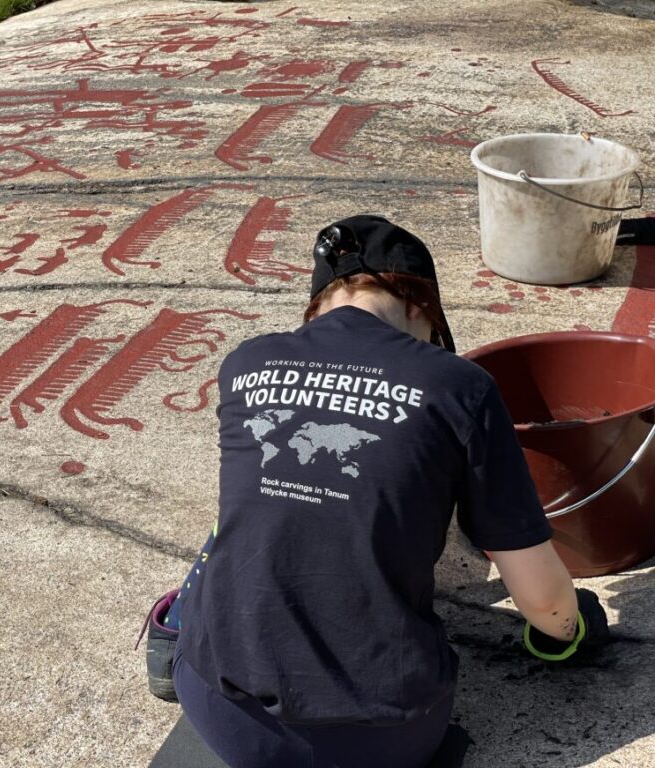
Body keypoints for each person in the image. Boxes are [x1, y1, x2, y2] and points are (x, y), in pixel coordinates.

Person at [139, 215, 611, 768]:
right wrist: (571, 627)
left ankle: (173, 637)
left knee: (257, 501)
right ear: (422, 309)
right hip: (375, 741)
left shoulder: (246, 361)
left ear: (317, 306)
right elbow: (544, 602)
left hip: (215, 709)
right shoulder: (459, 386)